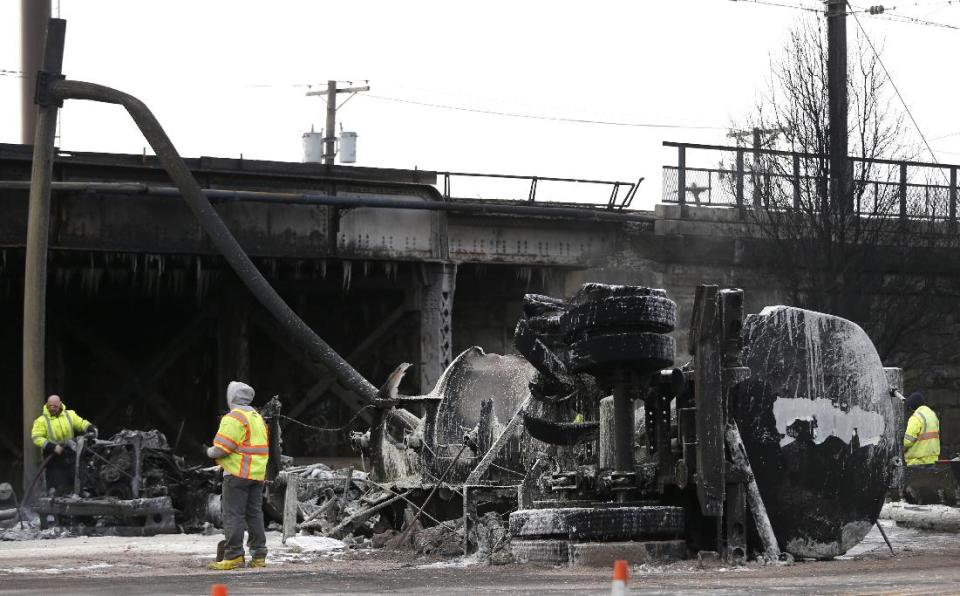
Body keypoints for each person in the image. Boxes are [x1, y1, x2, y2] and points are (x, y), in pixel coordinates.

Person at [205, 381, 270, 570]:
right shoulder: (257, 417)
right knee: (254, 515)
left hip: (237, 474)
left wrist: (208, 452)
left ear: (231, 397)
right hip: (257, 474)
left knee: (233, 514)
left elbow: (222, 449)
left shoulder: (234, 418)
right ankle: (259, 556)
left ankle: (234, 556)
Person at [31, 394, 97, 496]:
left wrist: (90, 428)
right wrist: (53, 447)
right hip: (54, 458)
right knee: (59, 487)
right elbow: (36, 437)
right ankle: (56, 505)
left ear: (60, 405)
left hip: (70, 454)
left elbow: (81, 423)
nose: (52, 408)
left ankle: (79, 498)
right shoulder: (41, 420)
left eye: (55, 406)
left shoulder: (69, 415)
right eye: (50, 406)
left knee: (76, 479)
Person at [903, 391, 940, 466]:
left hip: (918, 461)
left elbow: (907, 441)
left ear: (912, 406)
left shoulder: (916, 417)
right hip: (933, 460)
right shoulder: (932, 415)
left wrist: (902, 444)